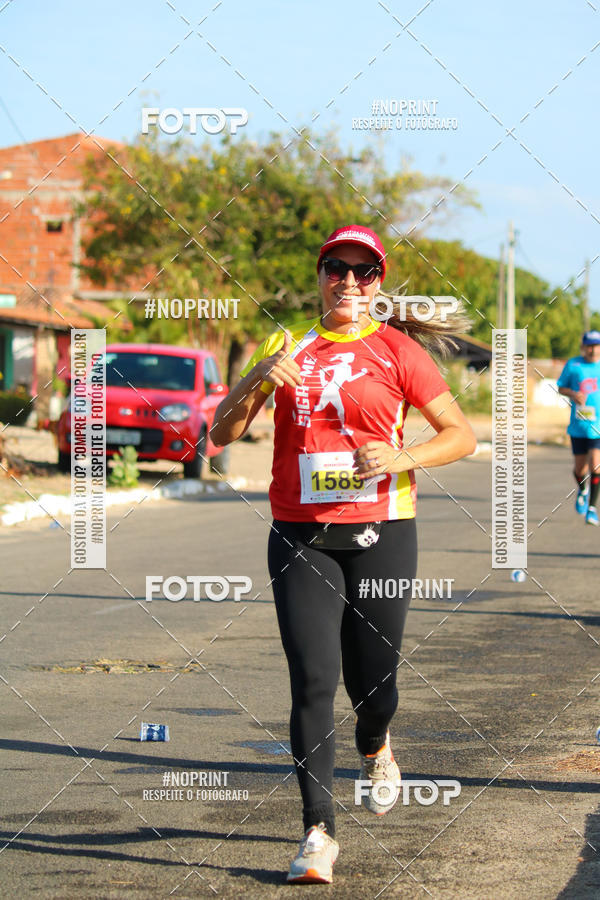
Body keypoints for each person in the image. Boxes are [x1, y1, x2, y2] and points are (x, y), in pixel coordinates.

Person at [210, 224, 476, 884]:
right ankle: (316, 831)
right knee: (313, 680)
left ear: (378, 282)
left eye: (364, 272)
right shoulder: (288, 344)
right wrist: (254, 377)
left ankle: (376, 742)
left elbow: (461, 435)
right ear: (320, 274)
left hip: (383, 531)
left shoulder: (398, 352)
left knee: (376, 679)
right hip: (301, 535)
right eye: (337, 268)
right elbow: (220, 435)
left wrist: (402, 455)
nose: (349, 282)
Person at [557, 330, 600, 526]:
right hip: (579, 425)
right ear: (583, 347)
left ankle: (592, 509)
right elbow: (561, 387)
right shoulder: (573, 365)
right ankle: (583, 489)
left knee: (596, 465)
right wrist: (574, 394)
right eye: (589, 345)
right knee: (579, 468)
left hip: (598, 425)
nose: (593, 349)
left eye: (596, 345)